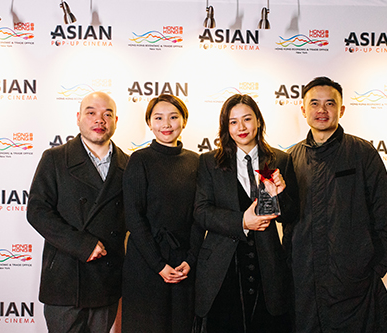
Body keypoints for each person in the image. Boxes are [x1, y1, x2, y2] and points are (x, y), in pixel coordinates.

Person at [288, 77, 387, 332]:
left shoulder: (362, 153)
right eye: (314, 103)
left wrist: (375, 269)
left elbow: (384, 214)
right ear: (303, 109)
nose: (322, 110)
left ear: (341, 110)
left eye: (330, 104)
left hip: (354, 287)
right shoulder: (291, 159)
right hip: (305, 287)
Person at [194, 94, 298, 333]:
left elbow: (290, 215)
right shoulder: (209, 162)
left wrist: (280, 195)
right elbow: (201, 211)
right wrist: (242, 221)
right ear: (225, 127)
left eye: (247, 119)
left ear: (258, 121)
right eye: (233, 122)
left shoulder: (280, 159)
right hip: (222, 268)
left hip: (268, 266)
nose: (241, 127)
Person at [27, 91, 129, 333]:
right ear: (78, 117)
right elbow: (37, 211)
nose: (99, 119)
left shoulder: (129, 164)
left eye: (107, 114)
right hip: (65, 278)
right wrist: (82, 245)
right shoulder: (55, 158)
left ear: (116, 120)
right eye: (91, 112)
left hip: (106, 278)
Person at [121, 94, 203, 333]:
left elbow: (200, 216)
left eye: (173, 117)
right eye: (158, 118)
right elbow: (133, 218)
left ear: (184, 121)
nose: (166, 124)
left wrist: (191, 260)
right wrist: (158, 265)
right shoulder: (139, 160)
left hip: (184, 264)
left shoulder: (196, 162)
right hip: (147, 264)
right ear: (149, 123)